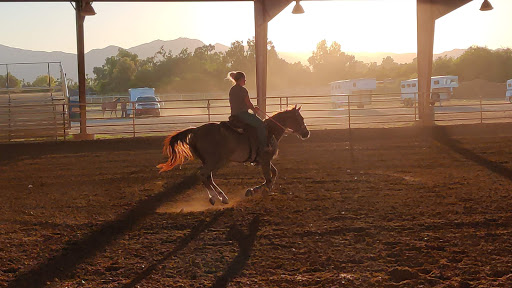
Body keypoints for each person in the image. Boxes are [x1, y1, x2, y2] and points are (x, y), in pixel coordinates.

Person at [227, 71, 271, 154]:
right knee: (261, 125)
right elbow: (248, 103)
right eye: (244, 79)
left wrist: (252, 108)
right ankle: (263, 147)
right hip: (242, 114)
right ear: (241, 79)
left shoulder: (232, 90)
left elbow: (238, 103)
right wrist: (254, 110)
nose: (245, 81)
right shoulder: (243, 90)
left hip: (234, 114)